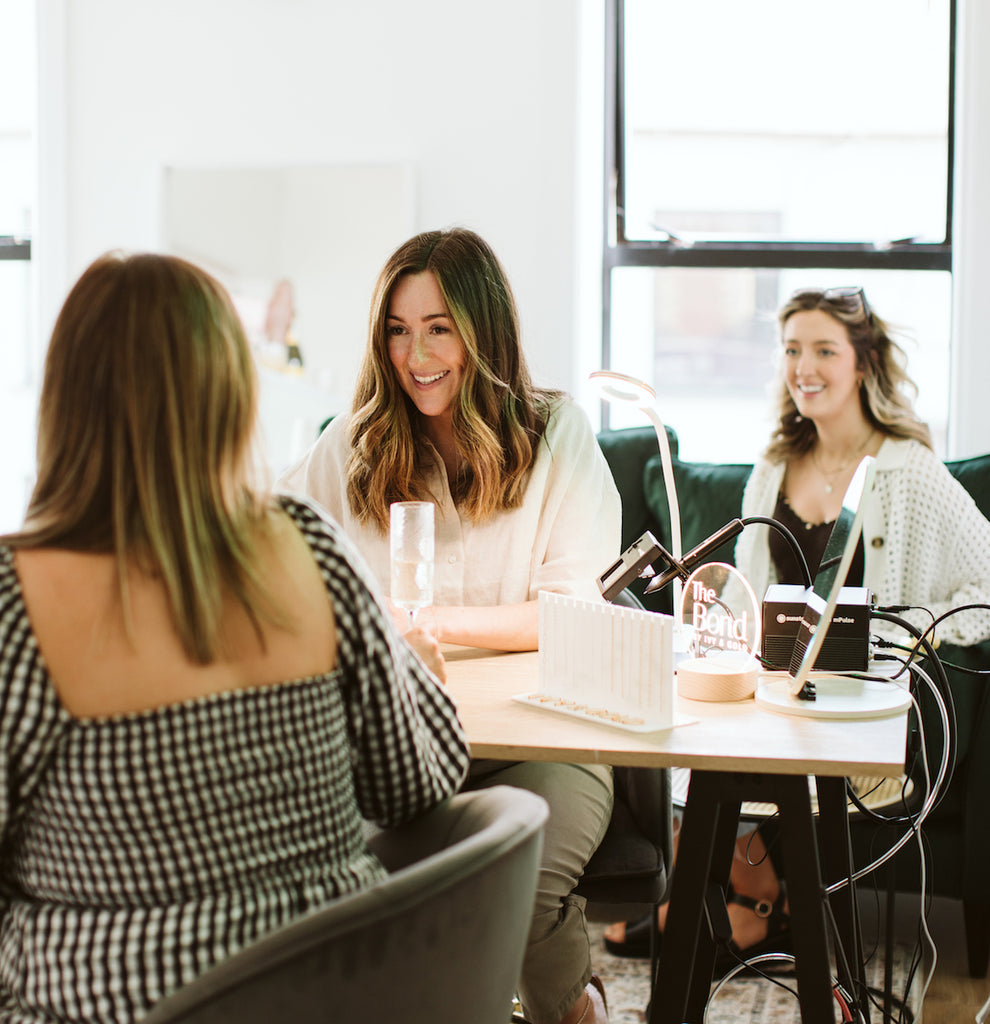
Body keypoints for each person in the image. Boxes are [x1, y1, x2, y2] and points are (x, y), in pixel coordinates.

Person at [0, 252, 471, 1024]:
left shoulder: (16, 603)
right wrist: (419, 681)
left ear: (66, 400)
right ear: (230, 394)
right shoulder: (309, 545)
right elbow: (416, 784)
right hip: (341, 995)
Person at [278, 227, 620, 1024]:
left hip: (546, 748)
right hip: (404, 746)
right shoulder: (355, 444)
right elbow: (271, 540)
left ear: (481, 331)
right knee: (356, 895)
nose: (415, 354)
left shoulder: (556, 436)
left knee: (518, 889)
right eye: (397, 331)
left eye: (438, 329)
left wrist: (419, 621)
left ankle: (578, 1005)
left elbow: (571, 613)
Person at [604, 284, 990, 968]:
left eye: (823, 350)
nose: (803, 367)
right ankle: (730, 894)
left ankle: (745, 899)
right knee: (681, 710)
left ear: (862, 364)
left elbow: (985, 586)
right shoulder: (774, 467)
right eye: (790, 350)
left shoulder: (911, 471)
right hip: (777, 685)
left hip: (863, 697)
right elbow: (749, 595)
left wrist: (902, 628)